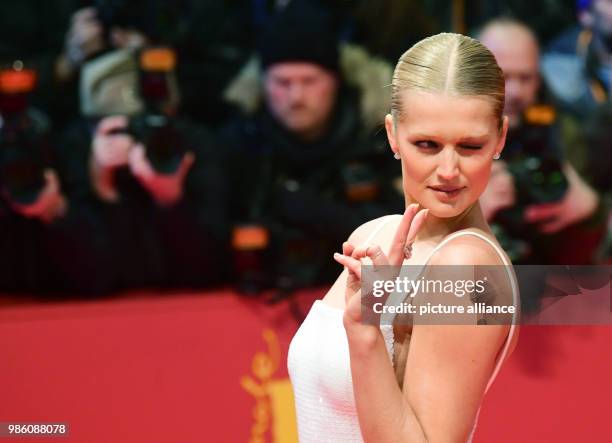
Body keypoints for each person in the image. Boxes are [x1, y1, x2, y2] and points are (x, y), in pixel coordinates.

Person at [287, 33, 520, 442]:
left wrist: (365, 335)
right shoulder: (374, 233)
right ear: (393, 135)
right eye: (427, 144)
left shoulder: (468, 268)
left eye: (470, 146)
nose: (449, 169)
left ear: (500, 137)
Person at [224, 3, 404, 293]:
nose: (296, 96)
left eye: (309, 81)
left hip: (362, 296)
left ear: (335, 82)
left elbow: (405, 237)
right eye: (282, 82)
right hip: (253, 300)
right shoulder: (237, 146)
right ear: (263, 84)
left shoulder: (379, 141)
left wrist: (322, 214)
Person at [477, 18, 606, 265]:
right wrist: (460, 214)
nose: (514, 92)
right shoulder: (437, 134)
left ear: (539, 78)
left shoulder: (563, 134)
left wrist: (592, 212)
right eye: (501, 77)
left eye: (526, 78)